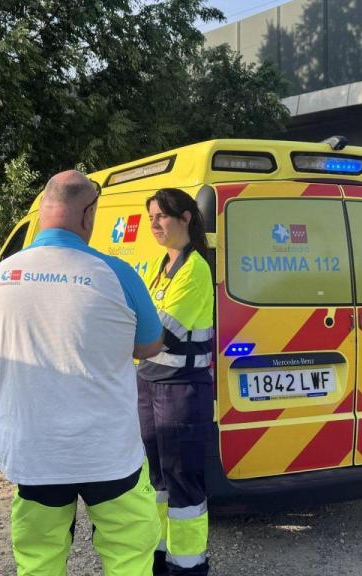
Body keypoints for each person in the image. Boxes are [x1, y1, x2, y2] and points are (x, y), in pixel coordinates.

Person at [0, 170, 165, 575]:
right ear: (88, 214)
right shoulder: (118, 274)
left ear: (41, 210)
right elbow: (150, 346)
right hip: (109, 454)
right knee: (129, 555)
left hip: (35, 453)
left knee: (39, 560)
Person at [138, 188, 215, 576]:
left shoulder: (195, 268)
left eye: (162, 216)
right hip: (151, 383)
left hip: (181, 387)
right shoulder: (161, 265)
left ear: (186, 218)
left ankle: (188, 565)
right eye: (150, 216)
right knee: (156, 480)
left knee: (183, 482)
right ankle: (160, 555)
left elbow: (160, 334)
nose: (154, 224)